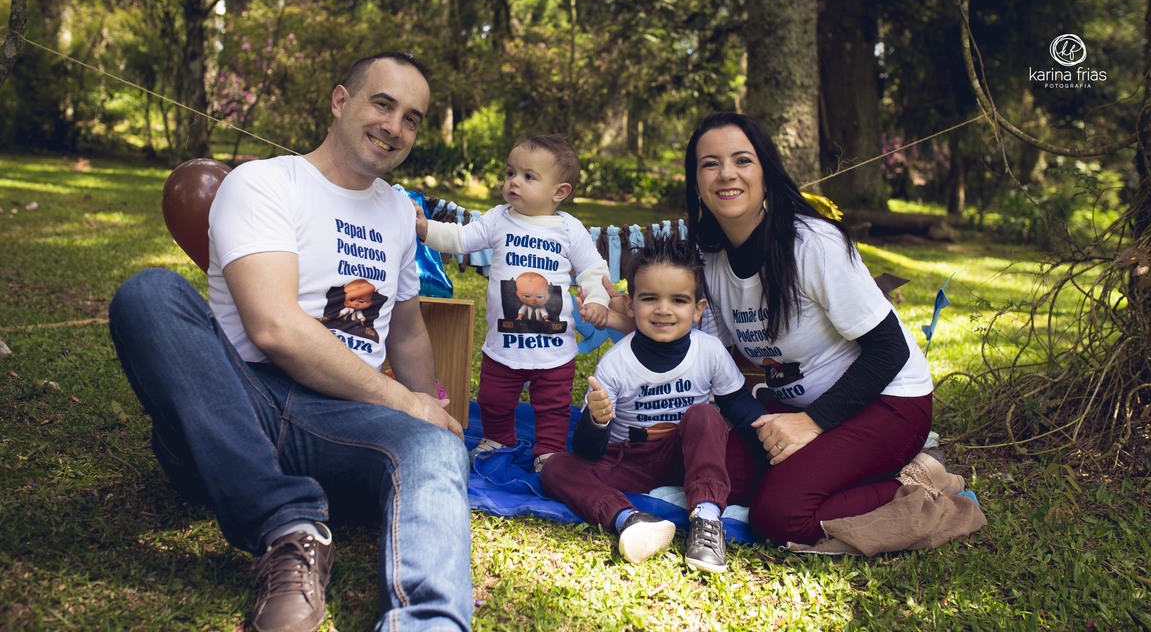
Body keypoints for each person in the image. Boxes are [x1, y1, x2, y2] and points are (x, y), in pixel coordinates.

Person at [107, 52, 473, 632]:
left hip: (348, 422)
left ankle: (429, 623)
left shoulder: (399, 215)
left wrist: (430, 410)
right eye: (383, 103)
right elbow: (274, 327)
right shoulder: (266, 182)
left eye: (412, 118)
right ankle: (289, 530)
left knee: (436, 449)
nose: (395, 127)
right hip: (236, 405)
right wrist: (404, 401)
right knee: (149, 293)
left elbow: (406, 330)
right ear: (339, 101)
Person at [681, 110, 950, 546]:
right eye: (710, 163)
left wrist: (812, 424)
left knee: (779, 515)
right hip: (799, 413)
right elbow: (716, 358)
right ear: (696, 182)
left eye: (742, 160)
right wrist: (632, 320)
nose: (726, 173)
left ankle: (918, 477)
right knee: (710, 470)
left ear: (766, 172)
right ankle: (836, 468)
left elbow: (889, 350)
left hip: (889, 402)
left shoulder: (812, 245)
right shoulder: (710, 259)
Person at [539, 236, 766, 572]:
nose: (663, 310)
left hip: (691, 456)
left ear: (697, 308)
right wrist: (598, 420)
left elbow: (739, 407)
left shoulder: (709, 351)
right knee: (556, 468)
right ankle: (630, 519)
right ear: (630, 305)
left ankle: (706, 518)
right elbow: (587, 450)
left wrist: (773, 441)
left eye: (678, 300)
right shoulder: (616, 363)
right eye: (650, 299)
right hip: (631, 461)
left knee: (706, 414)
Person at [416, 134, 610, 472]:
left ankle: (548, 451)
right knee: (493, 399)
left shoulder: (569, 229)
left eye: (528, 177)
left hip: (554, 348)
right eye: (510, 173)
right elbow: (461, 239)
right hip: (504, 343)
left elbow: (594, 269)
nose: (513, 182)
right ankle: (499, 437)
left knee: (553, 406)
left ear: (559, 192)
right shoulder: (498, 218)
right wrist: (425, 229)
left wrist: (596, 300)